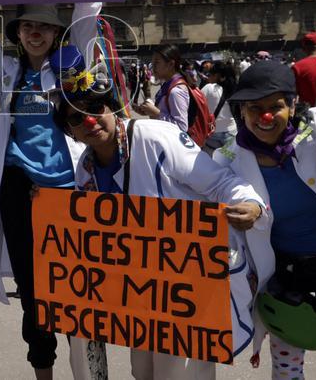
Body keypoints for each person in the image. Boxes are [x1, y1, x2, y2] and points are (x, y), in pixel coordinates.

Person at [55, 54, 265, 379]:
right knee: (143, 370)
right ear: (70, 130)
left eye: (96, 110)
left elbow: (219, 181)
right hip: (144, 289)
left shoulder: (156, 138)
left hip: (190, 279)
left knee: (178, 372)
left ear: (112, 108)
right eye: (76, 119)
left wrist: (250, 204)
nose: (90, 122)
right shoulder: (85, 171)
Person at [211, 61, 316, 379]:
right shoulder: (228, 158)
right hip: (286, 280)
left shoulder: (315, 127)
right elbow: (216, 200)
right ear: (242, 111)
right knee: (287, 373)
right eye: (254, 108)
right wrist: (244, 214)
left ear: (292, 105)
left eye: (275, 106)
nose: (265, 116)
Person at [132, 45, 195, 133]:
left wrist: (156, 113)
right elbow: (166, 111)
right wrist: (148, 111)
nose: (152, 67)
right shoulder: (168, 84)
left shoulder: (176, 91)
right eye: (152, 62)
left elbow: (182, 127)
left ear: (170, 64)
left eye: (157, 62)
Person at [200, 60, 238, 153]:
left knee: (213, 161)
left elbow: (199, 105)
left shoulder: (208, 88)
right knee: (229, 159)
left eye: (210, 74)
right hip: (231, 132)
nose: (208, 77)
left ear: (216, 75)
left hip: (213, 132)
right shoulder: (234, 88)